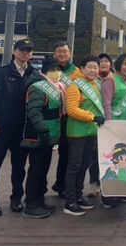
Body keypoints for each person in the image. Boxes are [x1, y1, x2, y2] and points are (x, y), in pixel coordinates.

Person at [0, 39, 35, 217]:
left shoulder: (34, 73)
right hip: (3, 127)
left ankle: (16, 199)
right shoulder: (1, 72)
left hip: (22, 128)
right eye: (22, 50)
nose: (25, 53)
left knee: (19, 167)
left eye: (28, 51)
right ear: (14, 51)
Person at [20, 56, 66, 218]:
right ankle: (31, 204)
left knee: (43, 169)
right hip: (38, 136)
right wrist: (43, 130)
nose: (56, 72)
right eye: (52, 69)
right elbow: (34, 111)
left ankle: (40, 200)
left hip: (50, 136)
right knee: (36, 170)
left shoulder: (57, 87)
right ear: (45, 71)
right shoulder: (38, 87)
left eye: (58, 69)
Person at [63, 55, 105, 216]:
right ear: (82, 68)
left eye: (96, 67)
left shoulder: (95, 84)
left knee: (83, 166)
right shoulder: (75, 86)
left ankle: (78, 197)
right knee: (74, 167)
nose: (93, 70)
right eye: (90, 67)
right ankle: (69, 201)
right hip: (77, 133)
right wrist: (92, 117)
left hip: (90, 132)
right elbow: (72, 109)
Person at [51, 41, 79, 199]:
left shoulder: (77, 72)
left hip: (69, 117)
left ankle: (61, 184)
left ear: (70, 54)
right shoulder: (49, 70)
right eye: (59, 51)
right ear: (54, 53)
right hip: (51, 116)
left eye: (65, 51)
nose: (62, 54)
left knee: (66, 153)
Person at [87, 52, 113, 197]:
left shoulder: (115, 79)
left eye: (106, 61)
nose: (103, 63)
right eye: (100, 61)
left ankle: (108, 185)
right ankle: (94, 183)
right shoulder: (91, 80)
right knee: (94, 155)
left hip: (111, 124)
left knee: (111, 155)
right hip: (95, 123)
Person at [102, 53, 126, 121]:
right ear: (119, 65)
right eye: (124, 64)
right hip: (114, 121)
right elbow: (106, 104)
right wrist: (108, 122)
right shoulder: (110, 80)